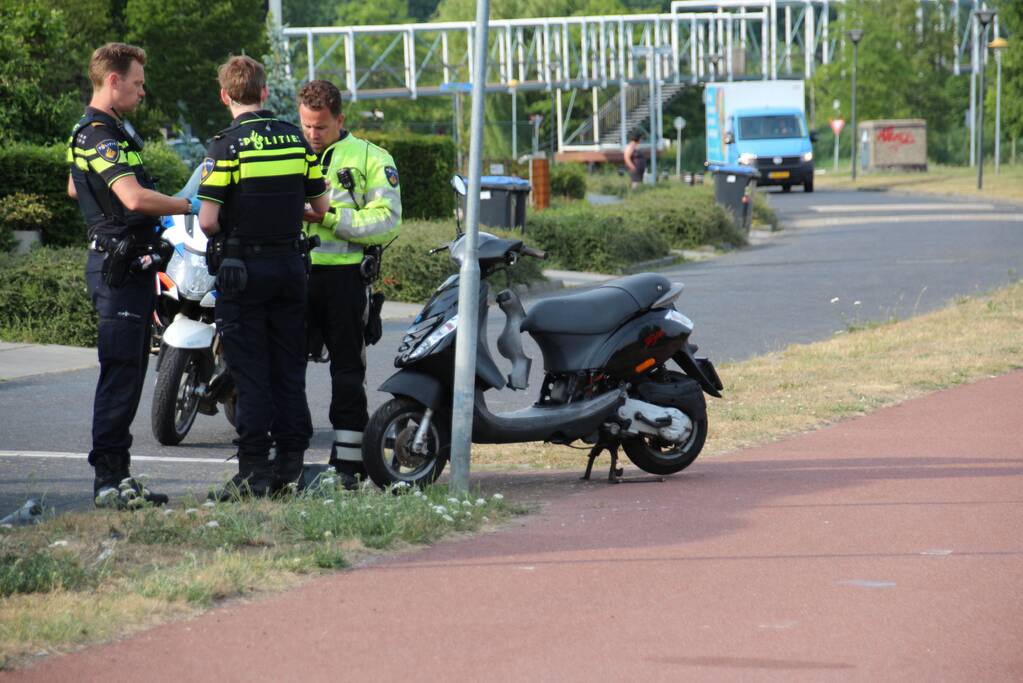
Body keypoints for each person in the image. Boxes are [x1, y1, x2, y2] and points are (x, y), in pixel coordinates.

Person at [67, 43, 200, 508]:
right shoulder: (98, 134)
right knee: (121, 375)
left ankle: (120, 477)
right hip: (118, 270)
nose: (143, 92)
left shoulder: (105, 132)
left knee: (130, 373)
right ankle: (108, 482)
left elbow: (74, 186)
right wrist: (188, 205)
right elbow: (134, 198)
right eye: (138, 83)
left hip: (130, 266)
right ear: (113, 80)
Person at [197, 56, 329, 499]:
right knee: (289, 370)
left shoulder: (226, 146)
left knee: (250, 372)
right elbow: (321, 207)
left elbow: (208, 221)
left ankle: (253, 472)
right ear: (265, 92)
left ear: (224, 96)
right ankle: (291, 466)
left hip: (244, 273)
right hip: (291, 268)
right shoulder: (296, 139)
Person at [298, 80, 402, 489]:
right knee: (284, 369)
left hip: (343, 279)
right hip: (295, 274)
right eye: (306, 125)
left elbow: (386, 220)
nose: (312, 134)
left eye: (321, 127)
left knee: (346, 373)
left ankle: (348, 465)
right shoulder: (289, 151)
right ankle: (286, 458)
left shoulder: (371, 157)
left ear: (340, 119)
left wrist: (327, 218)